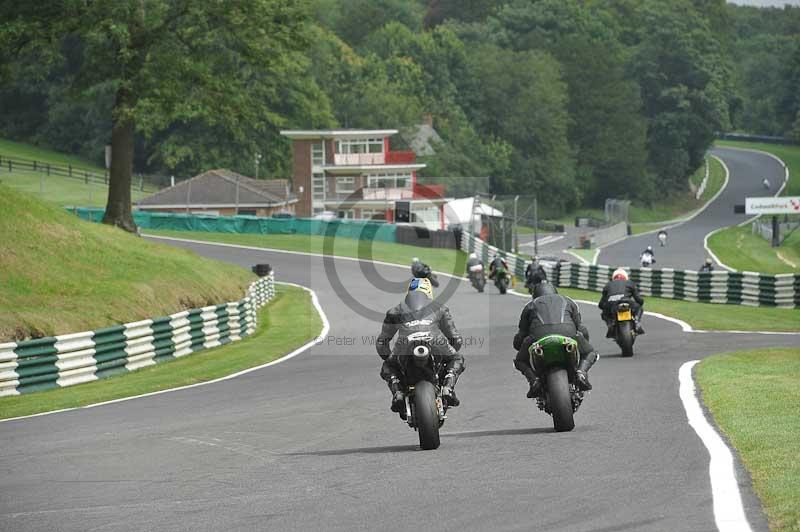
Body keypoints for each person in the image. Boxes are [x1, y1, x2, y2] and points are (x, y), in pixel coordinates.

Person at [377, 277, 465, 418]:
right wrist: (449, 353)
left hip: (405, 346)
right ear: (429, 291)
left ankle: (398, 392)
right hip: (435, 342)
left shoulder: (394, 311)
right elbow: (456, 339)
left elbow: (382, 342)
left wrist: (389, 359)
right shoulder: (440, 307)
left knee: (387, 366)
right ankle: (448, 387)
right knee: (457, 358)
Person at [513, 281, 599, 397]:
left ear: (535, 295)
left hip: (538, 338)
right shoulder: (568, 300)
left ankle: (534, 381)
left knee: (519, 360)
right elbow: (580, 328)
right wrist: (584, 341)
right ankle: (581, 373)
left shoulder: (530, 305)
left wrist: (518, 344)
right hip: (568, 335)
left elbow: (521, 335)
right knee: (590, 352)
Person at [599, 268, 645, 336]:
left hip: (612, 304)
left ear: (613, 277)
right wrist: (640, 303)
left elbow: (601, 304)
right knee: (639, 308)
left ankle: (610, 325)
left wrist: (604, 308)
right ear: (625, 276)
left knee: (604, 314)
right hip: (627, 302)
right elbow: (639, 299)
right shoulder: (630, 283)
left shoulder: (608, 285)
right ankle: (637, 321)